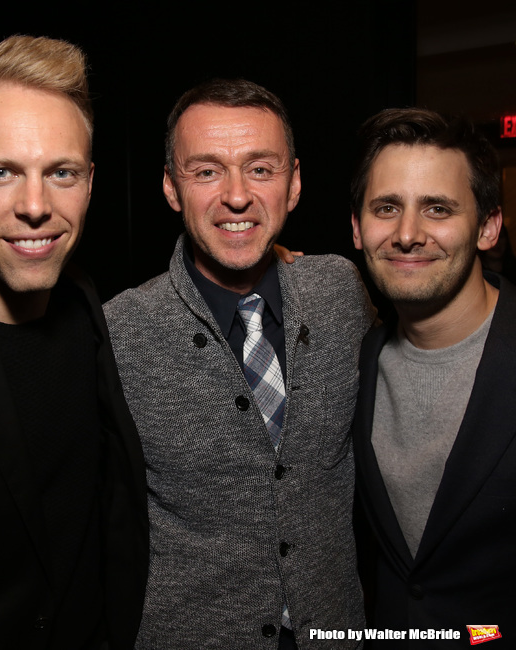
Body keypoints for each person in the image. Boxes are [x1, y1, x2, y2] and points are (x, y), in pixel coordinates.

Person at [104, 78, 375, 649]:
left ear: (294, 183)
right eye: (206, 171)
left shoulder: (342, 292)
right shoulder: (118, 333)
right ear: (171, 188)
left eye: (260, 168)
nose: (236, 195)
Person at [0, 35, 148, 649]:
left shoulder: (85, 303)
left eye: (62, 173)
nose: (37, 207)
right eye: (1, 172)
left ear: (91, 184)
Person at [350, 108, 514, 647]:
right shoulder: (356, 360)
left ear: (488, 226)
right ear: (357, 227)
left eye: (437, 208)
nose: (407, 234)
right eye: (386, 208)